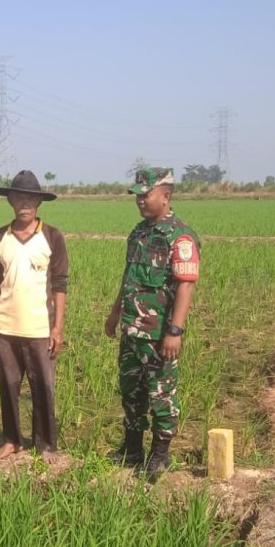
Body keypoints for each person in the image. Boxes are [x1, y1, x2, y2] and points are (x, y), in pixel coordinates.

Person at [103, 167, 201, 479]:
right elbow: (128, 276)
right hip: (132, 330)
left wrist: (175, 331)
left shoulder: (180, 237)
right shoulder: (138, 233)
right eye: (138, 196)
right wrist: (116, 311)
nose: (140, 201)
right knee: (131, 392)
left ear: (166, 196)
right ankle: (132, 449)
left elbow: (186, 285)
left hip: (159, 335)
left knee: (161, 395)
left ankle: (160, 455)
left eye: (146, 195)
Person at [0, 170, 69, 462]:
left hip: (40, 328)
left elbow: (60, 285)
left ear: (39, 202)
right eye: (19, 197)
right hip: (5, 327)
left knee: (43, 387)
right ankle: (11, 440)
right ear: (10, 200)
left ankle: (45, 445)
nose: (25, 203)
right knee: (8, 386)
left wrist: (57, 328)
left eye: (31, 197)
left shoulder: (52, 236)